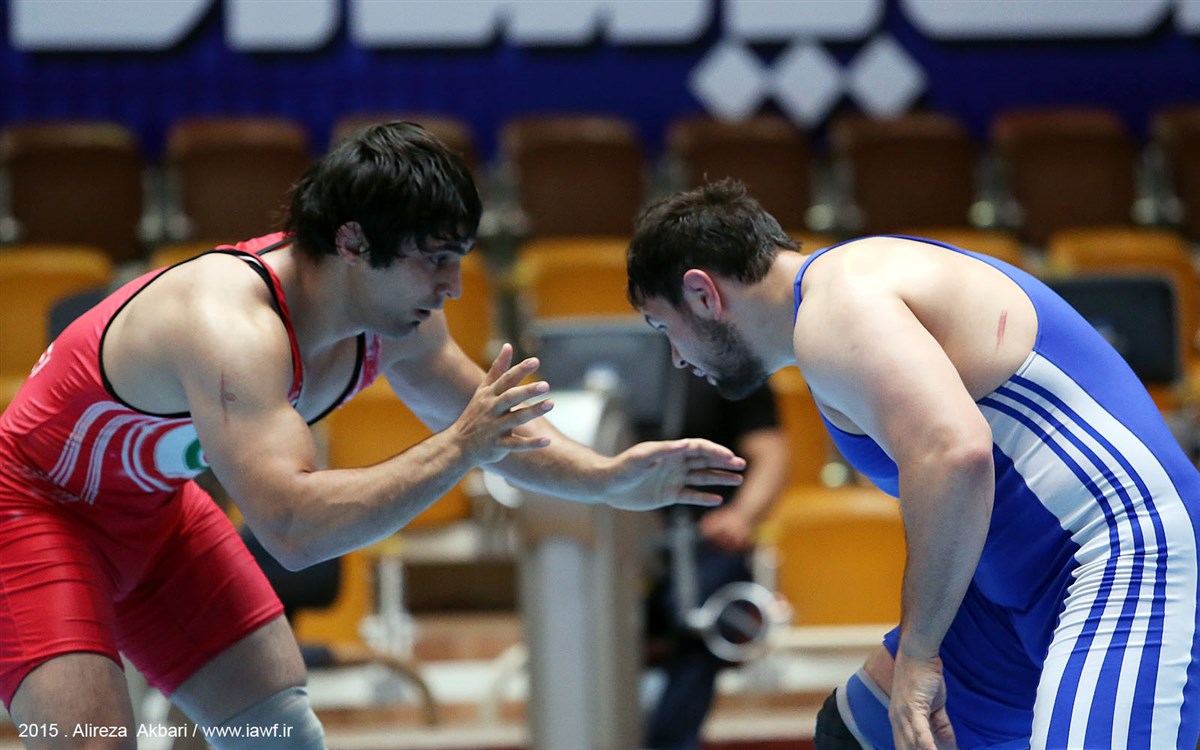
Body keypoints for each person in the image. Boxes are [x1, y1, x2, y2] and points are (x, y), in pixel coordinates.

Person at [0, 122, 746, 750]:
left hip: (153, 515)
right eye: (435, 261)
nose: (453, 287)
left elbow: (502, 433)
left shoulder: (397, 321)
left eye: (458, 260)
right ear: (353, 242)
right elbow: (293, 529)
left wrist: (611, 478)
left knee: (278, 735)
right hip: (31, 512)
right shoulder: (228, 323)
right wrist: (458, 448)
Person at [625, 178, 1200, 750]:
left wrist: (919, 655)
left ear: (702, 293)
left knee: (910, 702)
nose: (675, 356)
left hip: (1129, 551)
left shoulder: (839, 302)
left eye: (663, 327)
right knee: (864, 734)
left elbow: (956, 452)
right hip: (1022, 585)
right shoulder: (839, 299)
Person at [642, 377, 789, 750]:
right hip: (619, 542)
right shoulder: (611, 362)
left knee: (702, 612)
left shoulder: (728, 363)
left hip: (706, 542)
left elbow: (771, 453)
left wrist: (741, 516)